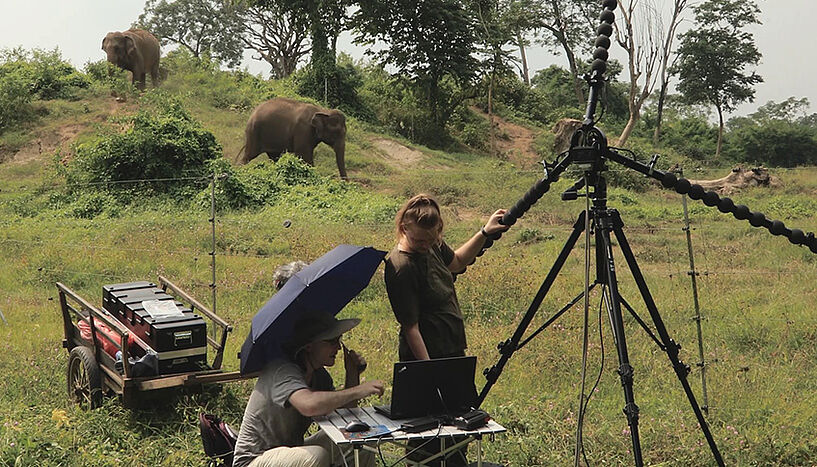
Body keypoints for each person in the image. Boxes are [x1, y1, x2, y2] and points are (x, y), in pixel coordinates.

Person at [384, 193, 509, 466]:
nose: (424, 245)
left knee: (458, 434)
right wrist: (429, 372)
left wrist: (484, 232)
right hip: (424, 360)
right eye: (419, 240)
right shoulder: (400, 266)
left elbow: (456, 263)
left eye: (431, 240)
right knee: (427, 440)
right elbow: (410, 327)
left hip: (452, 354)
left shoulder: (431, 244)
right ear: (404, 228)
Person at [233, 265, 384, 467]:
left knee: (359, 443)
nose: (338, 347)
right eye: (331, 341)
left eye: (338, 340)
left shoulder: (319, 376)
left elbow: (342, 414)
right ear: (309, 346)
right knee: (315, 456)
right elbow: (309, 405)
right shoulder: (282, 369)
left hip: (290, 452)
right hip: (255, 460)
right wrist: (359, 390)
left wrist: (352, 374)